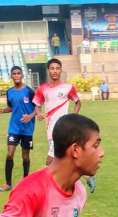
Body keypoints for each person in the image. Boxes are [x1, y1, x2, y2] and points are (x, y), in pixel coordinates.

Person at [26, 59, 87, 190]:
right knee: (63, 160)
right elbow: (37, 105)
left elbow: (78, 102)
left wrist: (73, 117)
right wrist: (39, 113)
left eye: (57, 68)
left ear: (61, 70)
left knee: (50, 161)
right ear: (48, 71)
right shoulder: (43, 89)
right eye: (52, 68)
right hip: (50, 130)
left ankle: (46, 189)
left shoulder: (68, 88)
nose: (55, 71)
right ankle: (85, 175)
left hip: (63, 129)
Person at [0, 66, 36, 192]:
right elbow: (12, 107)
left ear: (22, 76)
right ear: (11, 76)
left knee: (25, 156)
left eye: (19, 73)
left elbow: (38, 107)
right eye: (14, 73)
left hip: (27, 128)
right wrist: (3, 110)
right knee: (9, 154)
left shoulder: (29, 91)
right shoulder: (10, 92)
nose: (17, 75)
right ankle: (8, 183)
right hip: (14, 127)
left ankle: (26, 181)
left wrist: (30, 116)